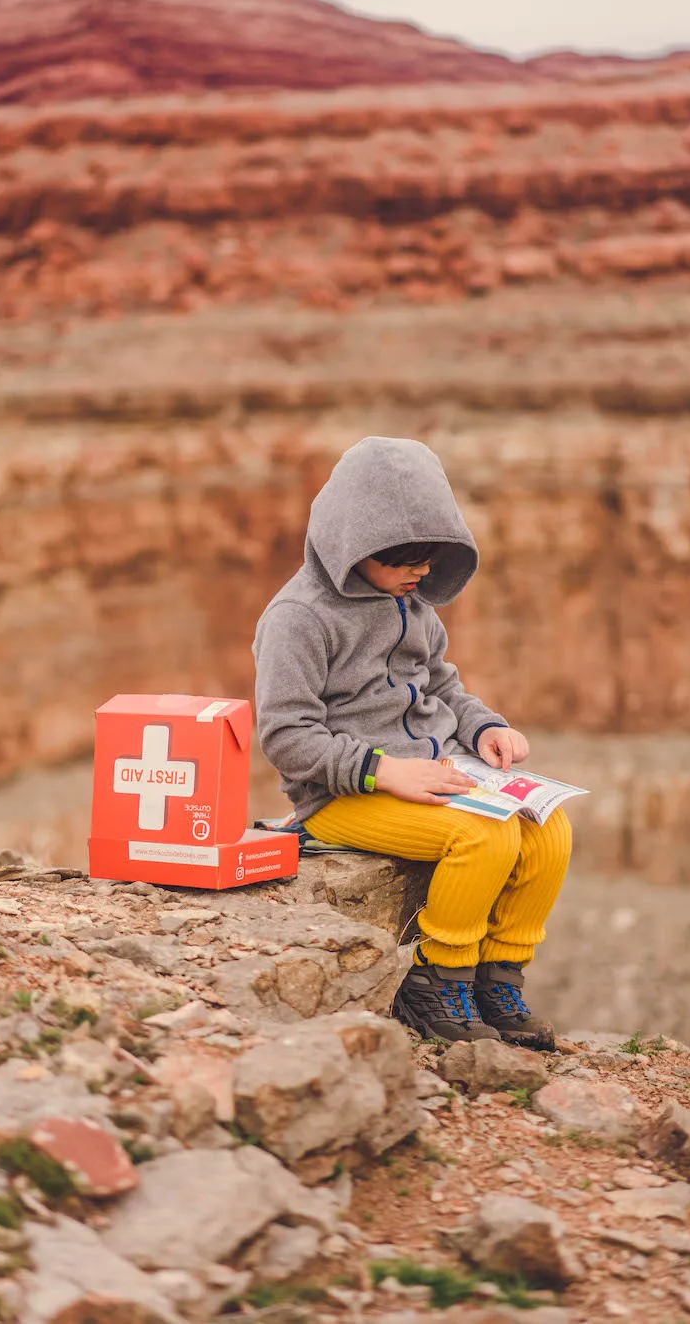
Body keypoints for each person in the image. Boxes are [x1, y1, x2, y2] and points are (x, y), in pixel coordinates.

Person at [252, 436, 571, 1046]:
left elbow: (441, 684)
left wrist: (484, 726)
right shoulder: (299, 618)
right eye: (405, 561)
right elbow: (287, 736)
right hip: (343, 797)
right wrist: (381, 771)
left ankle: (495, 976)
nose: (421, 573)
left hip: (435, 769)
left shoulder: (411, 602)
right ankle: (437, 978)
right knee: (483, 834)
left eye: (429, 559)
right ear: (353, 547)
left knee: (549, 828)